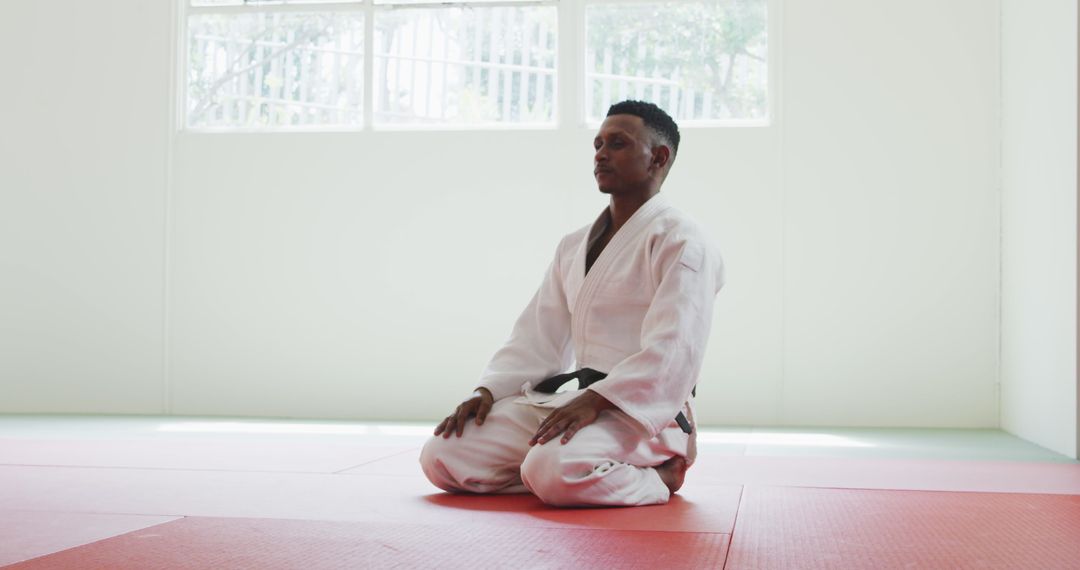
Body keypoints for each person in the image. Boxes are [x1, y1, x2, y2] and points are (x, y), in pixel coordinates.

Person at [419, 100, 725, 507]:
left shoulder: (683, 241)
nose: (601, 154)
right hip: (576, 402)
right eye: (598, 144)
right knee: (443, 456)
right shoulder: (573, 245)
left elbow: (675, 349)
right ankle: (559, 474)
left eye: (618, 144)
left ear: (658, 157)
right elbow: (537, 335)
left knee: (551, 466)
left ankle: (658, 479)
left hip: (644, 411)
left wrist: (599, 399)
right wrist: (488, 390)